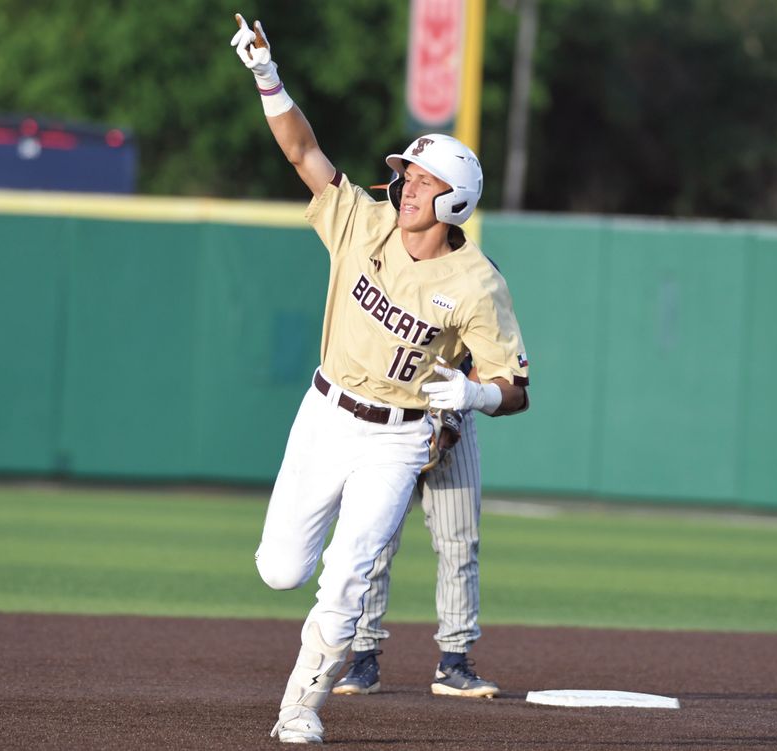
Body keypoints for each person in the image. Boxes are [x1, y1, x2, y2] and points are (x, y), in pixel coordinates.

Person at [231, 14, 530, 744]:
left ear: (455, 199)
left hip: (398, 440)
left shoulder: (476, 282)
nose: (405, 186)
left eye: (423, 181)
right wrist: (267, 76)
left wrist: (478, 393)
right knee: (278, 569)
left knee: (349, 574)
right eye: (406, 174)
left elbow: (516, 385)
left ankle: (300, 706)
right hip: (326, 411)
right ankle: (306, 666)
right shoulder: (363, 222)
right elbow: (303, 152)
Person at [332, 364, 499, 699]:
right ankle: (362, 660)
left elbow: (490, 364)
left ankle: (453, 663)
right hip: (391, 417)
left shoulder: (479, 309)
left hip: (455, 412)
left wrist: (452, 414)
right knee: (374, 544)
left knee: (459, 544)